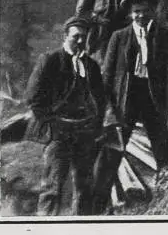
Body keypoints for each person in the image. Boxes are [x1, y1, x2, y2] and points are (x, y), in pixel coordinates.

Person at [92, 0, 168, 214]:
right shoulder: (119, 37)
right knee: (112, 152)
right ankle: (97, 205)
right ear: (130, 14)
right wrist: (107, 109)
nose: (140, 15)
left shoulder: (164, 35)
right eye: (136, 12)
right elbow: (107, 75)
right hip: (126, 99)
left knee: (163, 148)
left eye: (145, 11)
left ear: (153, 11)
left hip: (154, 100)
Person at [23, 17, 106, 216]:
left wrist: (95, 126)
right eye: (76, 36)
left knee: (84, 186)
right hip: (58, 132)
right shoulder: (50, 60)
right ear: (65, 36)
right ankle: (46, 229)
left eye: (83, 38)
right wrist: (51, 124)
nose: (80, 41)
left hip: (84, 132)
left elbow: (101, 100)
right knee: (52, 186)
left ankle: (82, 228)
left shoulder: (91, 66)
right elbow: (33, 98)